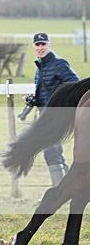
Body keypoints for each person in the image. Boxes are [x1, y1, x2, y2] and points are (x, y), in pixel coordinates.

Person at [27, 32, 80, 186]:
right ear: (33, 47)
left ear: (49, 45)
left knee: (50, 151)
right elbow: (45, 93)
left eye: (43, 44)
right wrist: (32, 100)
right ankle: (68, 188)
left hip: (57, 114)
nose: (40, 47)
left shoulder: (59, 63)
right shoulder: (40, 67)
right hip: (45, 114)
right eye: (37, 44)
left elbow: (75, 85)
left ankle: (59, 191)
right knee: (54, 151)